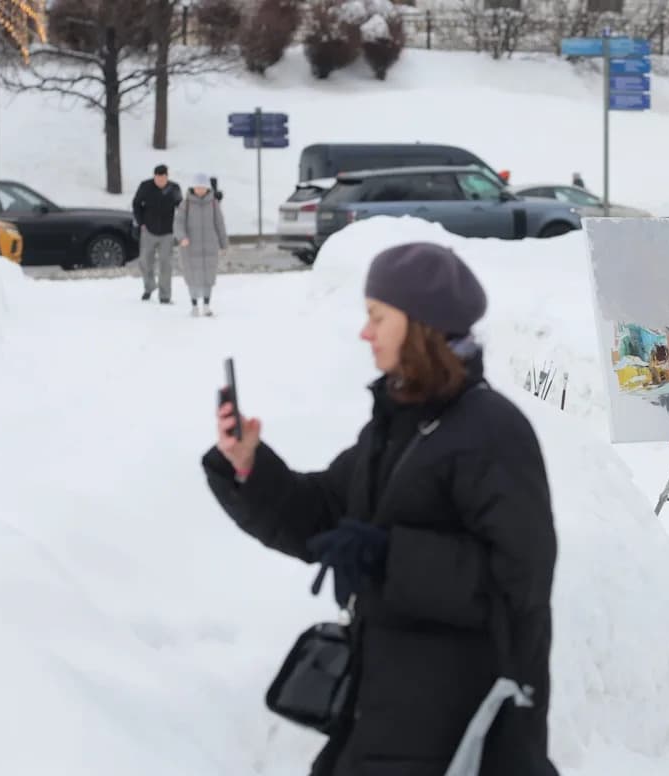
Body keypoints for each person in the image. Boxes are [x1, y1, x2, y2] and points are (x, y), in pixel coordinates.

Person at [201, 242, 560, 776]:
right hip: (384, 711)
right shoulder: (395, 425)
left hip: (461, 727)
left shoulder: (492, 433)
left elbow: (519, 582)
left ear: (419, 325)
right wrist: (249, 469)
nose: (364, 333)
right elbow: (325, 518)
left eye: (377, 317)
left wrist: (390, 558)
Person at [174, 173, 229, 317]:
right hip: (190, 248)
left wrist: (224, 244)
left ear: (207, 188)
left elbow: (219, 223)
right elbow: (178, 223)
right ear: (193, 187)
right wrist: (182, 237)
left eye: (203, 187)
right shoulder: (185, 203)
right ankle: (194, 305)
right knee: (192, 277)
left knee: (208, 277)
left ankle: (206, 305)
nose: (200, 190)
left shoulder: (213, 203)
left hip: (209, 247)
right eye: (197, 187)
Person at [132, 163, 182, 303]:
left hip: (167, 232)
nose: (160, 180)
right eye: (157, 177)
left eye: (163, 177)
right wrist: (141, 222)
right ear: (154, 176)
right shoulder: (145, 186)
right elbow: (136, 204)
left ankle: (165, 296)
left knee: (166, 265)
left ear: (167, 176)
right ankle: (149, 287)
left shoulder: (174, 188)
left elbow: (181, 207)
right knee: (145, 262)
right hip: (148, 230)